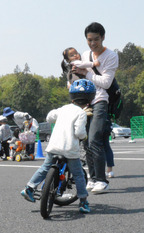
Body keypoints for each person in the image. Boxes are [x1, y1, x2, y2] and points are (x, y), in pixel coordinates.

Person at [20, 79, 94, 213]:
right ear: (89, 101)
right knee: (78, 175)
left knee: (44, 168)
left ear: (72, 98)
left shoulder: (63, 109)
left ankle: (29, 188)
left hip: (54, 146)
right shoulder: (82, 113)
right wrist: (84, 137)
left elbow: (49, 117)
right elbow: (79, 132)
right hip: (70, 149)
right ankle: (83, 201)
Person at [71, 22, 118, 194]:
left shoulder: (111, 56)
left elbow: (106, 83)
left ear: (103, 37)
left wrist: (87, 74)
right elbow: (83, 77)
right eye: (89, 40)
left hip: (100, 100)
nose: (92, 43)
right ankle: (92, 178)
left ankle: (102, 180)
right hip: (85, 102)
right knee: (85, 141)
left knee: (95, 139)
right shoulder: (85, 54)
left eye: (96, 39)